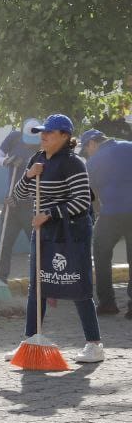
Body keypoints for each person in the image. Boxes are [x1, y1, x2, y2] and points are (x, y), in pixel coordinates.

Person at [5, 114, 103, 364]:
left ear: (64, 137)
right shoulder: (37, 159)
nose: (43, 136)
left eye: (49, 132)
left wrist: (48, 214)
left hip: (73, 232)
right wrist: (28, 175)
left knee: (78, 285)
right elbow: (17, 197)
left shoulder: (74, 163)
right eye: (42, 132)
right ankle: (30, 341)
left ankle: (94, 344)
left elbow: (82, 201)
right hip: (45, 233)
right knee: (38, 287)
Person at [80, 128, 132, 317]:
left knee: (101, 255)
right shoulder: (129, 146)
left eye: (86, 150)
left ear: (92, 143)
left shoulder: (93, 162)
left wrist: (98, 212)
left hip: (111, 214)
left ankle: (107, 303)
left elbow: (91, 194)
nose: (87, 154)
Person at [0, 118, 42, 282]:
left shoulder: (45, 145)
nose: (30, 145)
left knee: (38, 245)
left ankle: (43, 282)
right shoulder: (13, 137)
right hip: (11, 204)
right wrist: (7, 160)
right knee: (4, 245)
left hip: (31, 205)